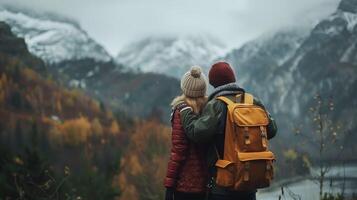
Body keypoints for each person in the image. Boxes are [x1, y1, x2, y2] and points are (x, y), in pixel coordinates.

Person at [177, 62, 278, 200]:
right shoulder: (253, 101)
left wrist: (184, 111)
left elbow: (197, 133)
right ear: (233, 78)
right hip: (249, 182)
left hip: (224, 186)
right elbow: (272, 130)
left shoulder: (216, 105)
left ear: (213, 83)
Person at [164, 66, 209, 200]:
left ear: (184, 88)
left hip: (185, 185)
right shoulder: (210, 109)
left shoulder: (182, 111)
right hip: (208, 183)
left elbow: (179, 152)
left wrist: (169, 185)